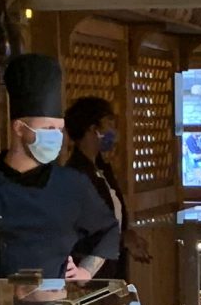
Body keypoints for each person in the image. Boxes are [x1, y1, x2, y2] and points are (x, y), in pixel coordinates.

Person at [0, 54, 120, 284]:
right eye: (48, 128)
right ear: (19, 129)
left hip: (56, 302)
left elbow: (108, 230)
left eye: (59, 129)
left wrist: (86, 271)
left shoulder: (73, 184)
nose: (56, 136)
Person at [62, 95, 151, 286]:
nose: (113, 131)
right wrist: (121, 240)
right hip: (87, 275)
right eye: (109, 123)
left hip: (112, 271)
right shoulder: (75, 174)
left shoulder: (102, 169)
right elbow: (79, 232)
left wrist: (128, 237)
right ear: (93, 129)